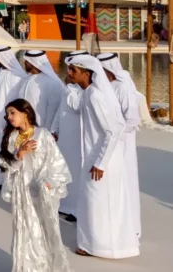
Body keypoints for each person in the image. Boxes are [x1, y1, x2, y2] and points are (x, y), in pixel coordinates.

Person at [65, 54, 138, 259]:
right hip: (95, 157)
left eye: (74, 71)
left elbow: (113, 130)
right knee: (95, 203)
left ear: (87, 74)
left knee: (98, 203)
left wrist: (100, 162)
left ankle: (99, 246)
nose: (69, 74)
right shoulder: (89, 93)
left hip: (101, 160)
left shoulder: (96, 96)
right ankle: (95, 244)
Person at [0, 99, 72, 272]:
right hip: (21, 192)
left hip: (41, 191)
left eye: (12, 112)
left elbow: (57, 163)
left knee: (44, 228)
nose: (9, 117)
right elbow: (4, 164)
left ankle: (46, 266)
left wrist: (48, 183)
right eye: (7, 113)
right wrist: (20, 154)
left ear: (26, 113)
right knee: (25, 229)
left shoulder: (43, 135)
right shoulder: (12, 137)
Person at [98, 53, 143, 244]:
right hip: (109, 144)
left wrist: (115, 135)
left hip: (122, 145)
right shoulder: (106, 86)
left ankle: (129, 230)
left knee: (125, 184)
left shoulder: (123, 87)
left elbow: (132, 120)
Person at [0, 46, 27, 187]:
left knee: (8, 147)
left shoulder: (17, 76)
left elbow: (18, 101)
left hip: (8, 119)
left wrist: (11, 116)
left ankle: (7, 182)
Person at [52, 51, 88, 220]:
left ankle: (76, 208)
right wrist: (55, 128)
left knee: (77, 171)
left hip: (78, 137)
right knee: (65, 169)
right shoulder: (70, 86)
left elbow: (77, 106)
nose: (69, 73)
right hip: (65, 135)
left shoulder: (86, 88)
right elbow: (61, 109)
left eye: (73, 69)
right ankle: (65, 204)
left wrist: (69, 87)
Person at [12, 51, 64, 133]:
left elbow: (53, 110)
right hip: (22, 128)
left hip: (41, 128)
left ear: (34, 62)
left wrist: (48, 132)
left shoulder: (52, 83)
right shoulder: (25, 80)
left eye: (27, 61)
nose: (25, 63)